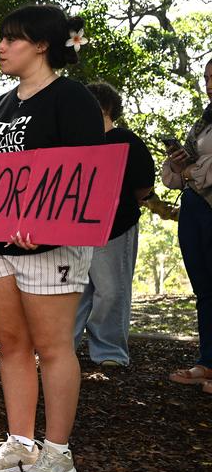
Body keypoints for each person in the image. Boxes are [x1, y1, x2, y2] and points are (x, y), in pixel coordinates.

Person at [0, 4, 105, 472]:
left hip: (51, 249)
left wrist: (50, 225)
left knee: (54, 346)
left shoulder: (73, 99)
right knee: (12, 344)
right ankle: (20, 442)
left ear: (41, 45)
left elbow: (87, 178)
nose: (0, 47)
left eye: (10, 39)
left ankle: (58, 452)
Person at [74, 81, 155, 368]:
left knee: (110, 290)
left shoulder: (127, 140)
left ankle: (109, 352)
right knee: (74, 290)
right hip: (76, 229)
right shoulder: (76, 142)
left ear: (104, 107)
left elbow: (143, 186)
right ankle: (64, 348)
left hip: (115, 227)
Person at [162, 58, 212, 395]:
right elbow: (176, 175)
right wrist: (179, 163)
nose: (210, 82)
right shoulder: (203, 122)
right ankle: (207, 361)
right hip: (193, 208)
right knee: (205, 288)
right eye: (207, 77)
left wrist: (193, 172)